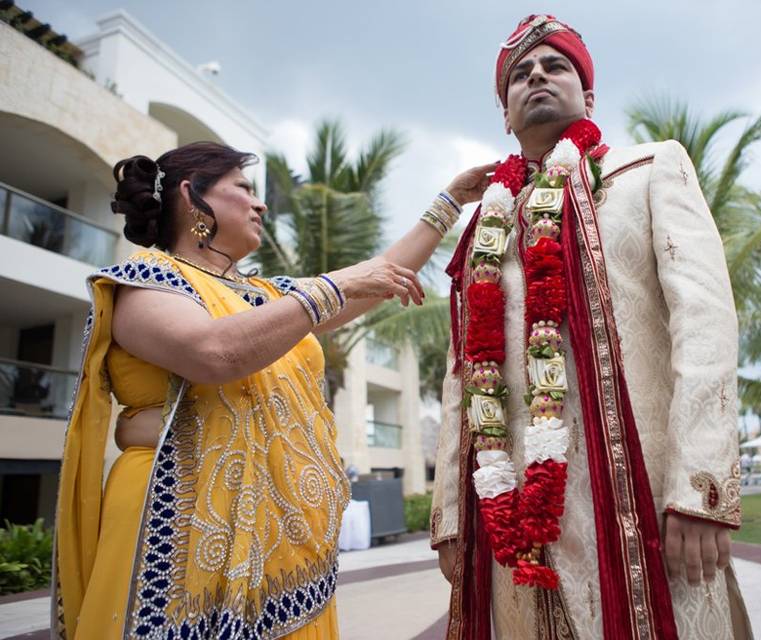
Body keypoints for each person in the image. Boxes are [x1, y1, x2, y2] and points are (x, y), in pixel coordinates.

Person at [52, 141, 494, 639]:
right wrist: (337, 285)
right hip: (180, 530)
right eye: (244, 188)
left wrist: (450, 201)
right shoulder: (146, 280)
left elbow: (380, 275)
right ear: (191, 195)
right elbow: (215, 353)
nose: (260, 204)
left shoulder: (266, 296)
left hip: (282, 545)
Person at [430, 15, 752, 639]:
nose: (538, 77)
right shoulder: (482, 232)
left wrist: (700, 484)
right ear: (505, 114)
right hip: (512, 518)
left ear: (590, 95)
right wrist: (453, 520)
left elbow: (706, 320)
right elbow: (460, 378)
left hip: (646, 502)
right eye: (520, 75)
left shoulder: (651, 169)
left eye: (555, 67)